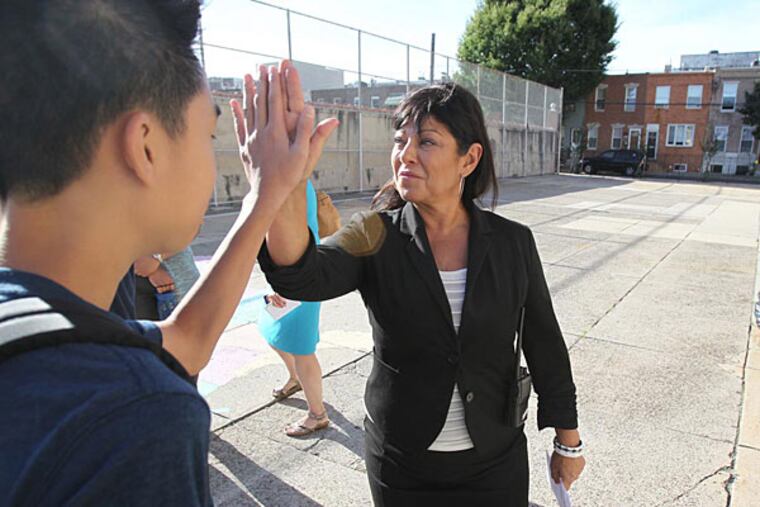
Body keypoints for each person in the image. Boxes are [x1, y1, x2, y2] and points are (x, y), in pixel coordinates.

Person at [0, 0, 337, 503]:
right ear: (146, 147)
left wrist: (265, 196)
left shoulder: (37, 325)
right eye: (208, 135)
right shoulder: (137, 416)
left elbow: (185, 341)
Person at [258, 82, 585, 505]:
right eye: (400, 141)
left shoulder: (512, 244)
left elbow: (545, 345)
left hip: (494, 462)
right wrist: (283, 183)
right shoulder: (375, 233)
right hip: (402, 464)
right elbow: (298, 276)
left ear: (469, 158)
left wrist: (568, 441)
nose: (406, 154)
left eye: (427, 141)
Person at [260, 179, 328, 437]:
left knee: (302, 348)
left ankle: (317, 414)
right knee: (271, 330)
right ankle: (295, 378)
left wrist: (284, 283)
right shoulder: (285, 177)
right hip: (289, 275)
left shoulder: (290, 181)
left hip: (298, 276)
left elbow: (288, 233)